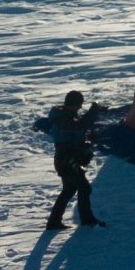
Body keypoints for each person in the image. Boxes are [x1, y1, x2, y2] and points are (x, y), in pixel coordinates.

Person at [47, 89, 103, 229]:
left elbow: (75, 133)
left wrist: (85, 144)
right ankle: (87, 220)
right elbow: (77, 127)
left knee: (70, 189)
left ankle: (54, 222)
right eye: (79, 105)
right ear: (72, 104)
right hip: (67, 161)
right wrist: (92, 112)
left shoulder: (66, 116)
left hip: (67, 160)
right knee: (84, 188)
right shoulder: (63, 119)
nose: (80, 108)